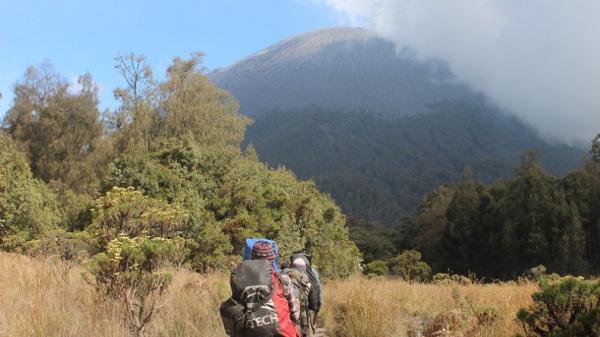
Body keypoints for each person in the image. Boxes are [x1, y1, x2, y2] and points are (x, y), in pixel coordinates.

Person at [251, 241, 301, 337]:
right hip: (283, 333)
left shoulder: (243, 281)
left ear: (252, 259)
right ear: (272, 259)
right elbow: (295, 313)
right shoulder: (283, 280)